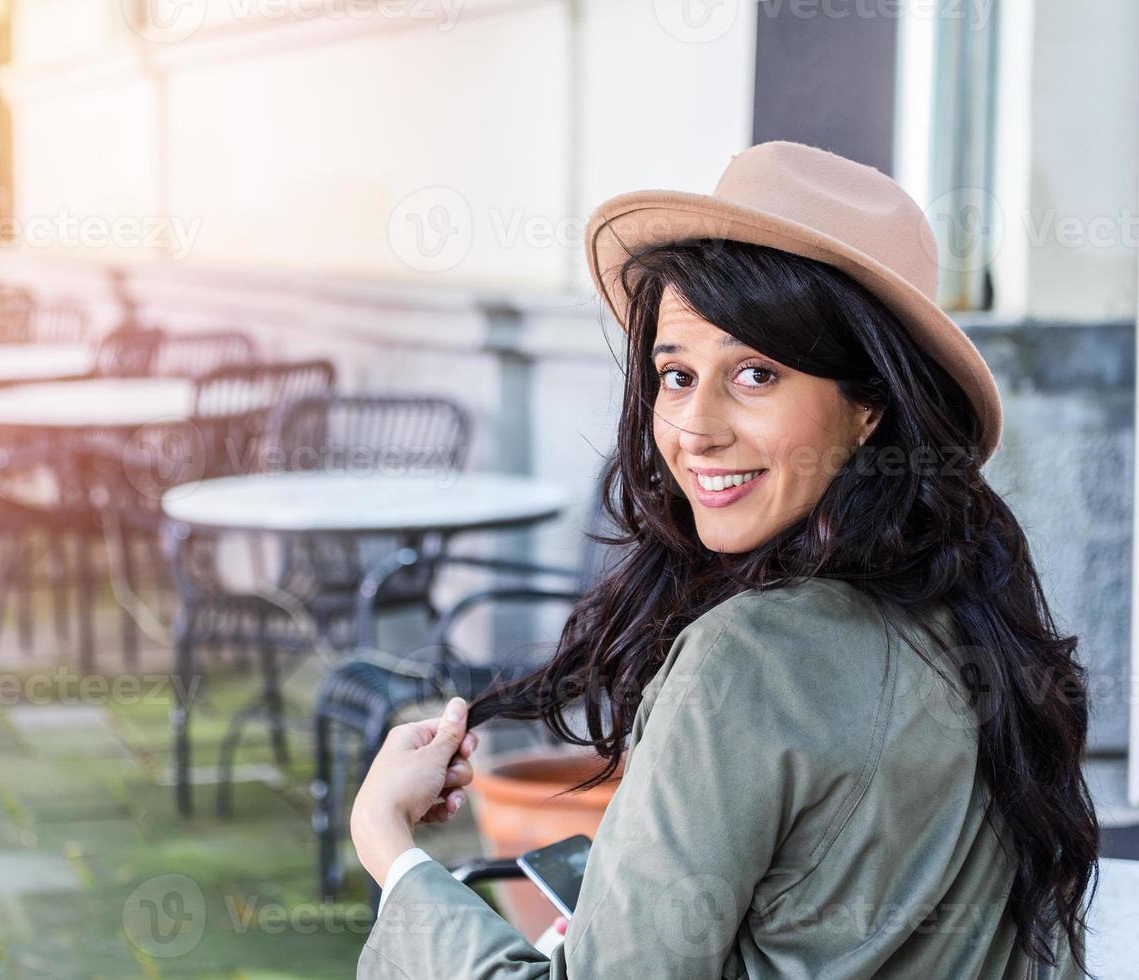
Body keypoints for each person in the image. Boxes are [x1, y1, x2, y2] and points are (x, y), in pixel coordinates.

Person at [349, 141, 1099, 979]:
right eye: (675, 375)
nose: (695, 426)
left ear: (871, 410)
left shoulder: (748, 657)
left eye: (754, 374)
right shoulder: (983, 620)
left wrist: (392, 848)